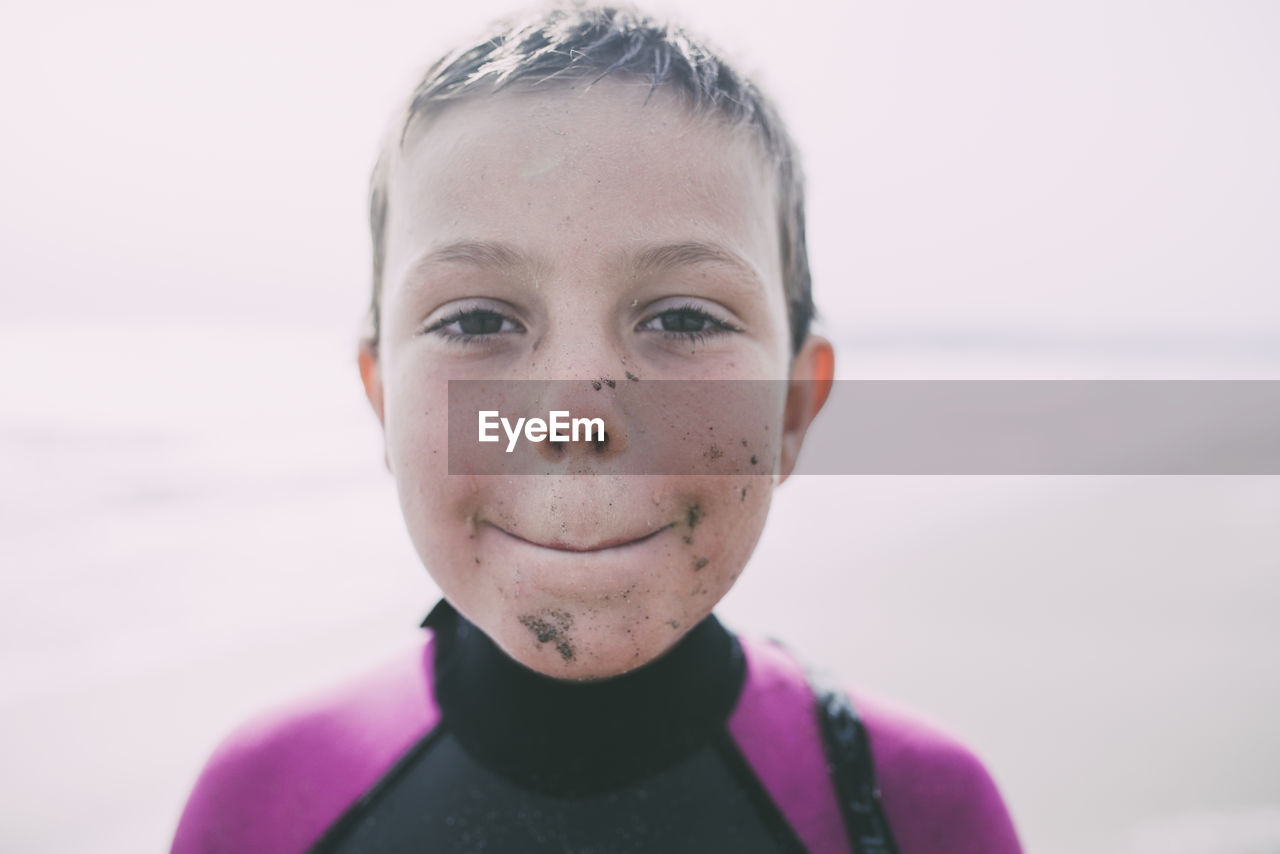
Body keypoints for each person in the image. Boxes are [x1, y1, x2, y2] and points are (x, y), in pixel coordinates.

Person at [171, 4, 1023, 852]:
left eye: (685, 320)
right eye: (475, 322)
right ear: (384, 399)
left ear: (795, 407)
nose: (575, 420)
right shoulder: (263, 802)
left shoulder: (913, 807)